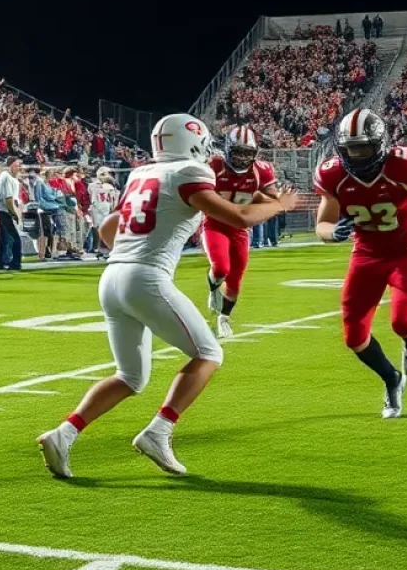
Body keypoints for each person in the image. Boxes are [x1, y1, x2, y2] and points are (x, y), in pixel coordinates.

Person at [37, 114, 297, 479]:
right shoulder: (189, 172)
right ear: (192, 142)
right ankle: (159, 431)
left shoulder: (140, 173)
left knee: (130, 376)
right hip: (145, 277)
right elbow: (239, 216)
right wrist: (279, 205)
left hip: (112, 277)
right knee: (209, 353)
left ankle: (63, 434)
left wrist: (136, 251)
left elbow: (108, 228)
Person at [314, 108, 407, 419]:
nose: (358, 155)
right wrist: (332, 233)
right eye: (352, 148)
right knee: (354, 336)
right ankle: (392, 379)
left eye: (364, 147)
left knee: (401, 322)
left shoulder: (401, 164)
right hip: (366, 253)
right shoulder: (333, 174)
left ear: (381, 144)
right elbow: (322, 224)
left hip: (406, 249)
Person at [201, 126, 280, 338]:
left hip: (240, 229)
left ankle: (224, 317)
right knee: (220, 267)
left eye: (247, 152)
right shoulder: (214, 166)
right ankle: (213, 288)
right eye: (238, 151)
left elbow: (273, 197)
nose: (243, 157)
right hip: (215, 223)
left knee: (235, 278)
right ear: (227, 149)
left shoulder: (261, 170)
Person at [0, 158, 25, 271]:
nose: (19, 168)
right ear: (11, 165)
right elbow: (8, 198)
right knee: (15, 238)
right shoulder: (6, 177)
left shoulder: (11, 178)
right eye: (17, 165)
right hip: (5, 210)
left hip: (6, 209)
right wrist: (15, 213)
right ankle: (15, 262)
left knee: (4, 238)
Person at [87, 166, 119, 259]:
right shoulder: (110, 186)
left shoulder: (94, 186)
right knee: (103, 230)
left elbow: (92, 199)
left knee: (101, 230)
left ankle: (102, 249)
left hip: (99, 209)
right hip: (103, 208)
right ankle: (103, 249)